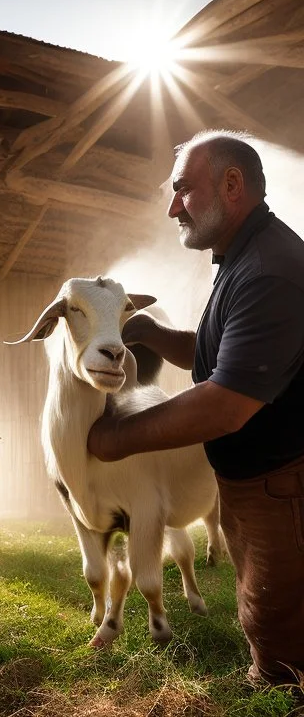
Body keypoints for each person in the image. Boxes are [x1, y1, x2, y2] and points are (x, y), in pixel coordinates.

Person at [87, 130, 304, 687]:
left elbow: (226, 404)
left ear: (232, 185)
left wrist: (116, 439)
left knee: (285, 631)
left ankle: (278, 688)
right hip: (258, 483)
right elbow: (225, 358)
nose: (171, 206)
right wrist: (157, 335)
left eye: (183, 189)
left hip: (284, 488)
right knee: (265, 605)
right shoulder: (241, 258)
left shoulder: (269, 271)